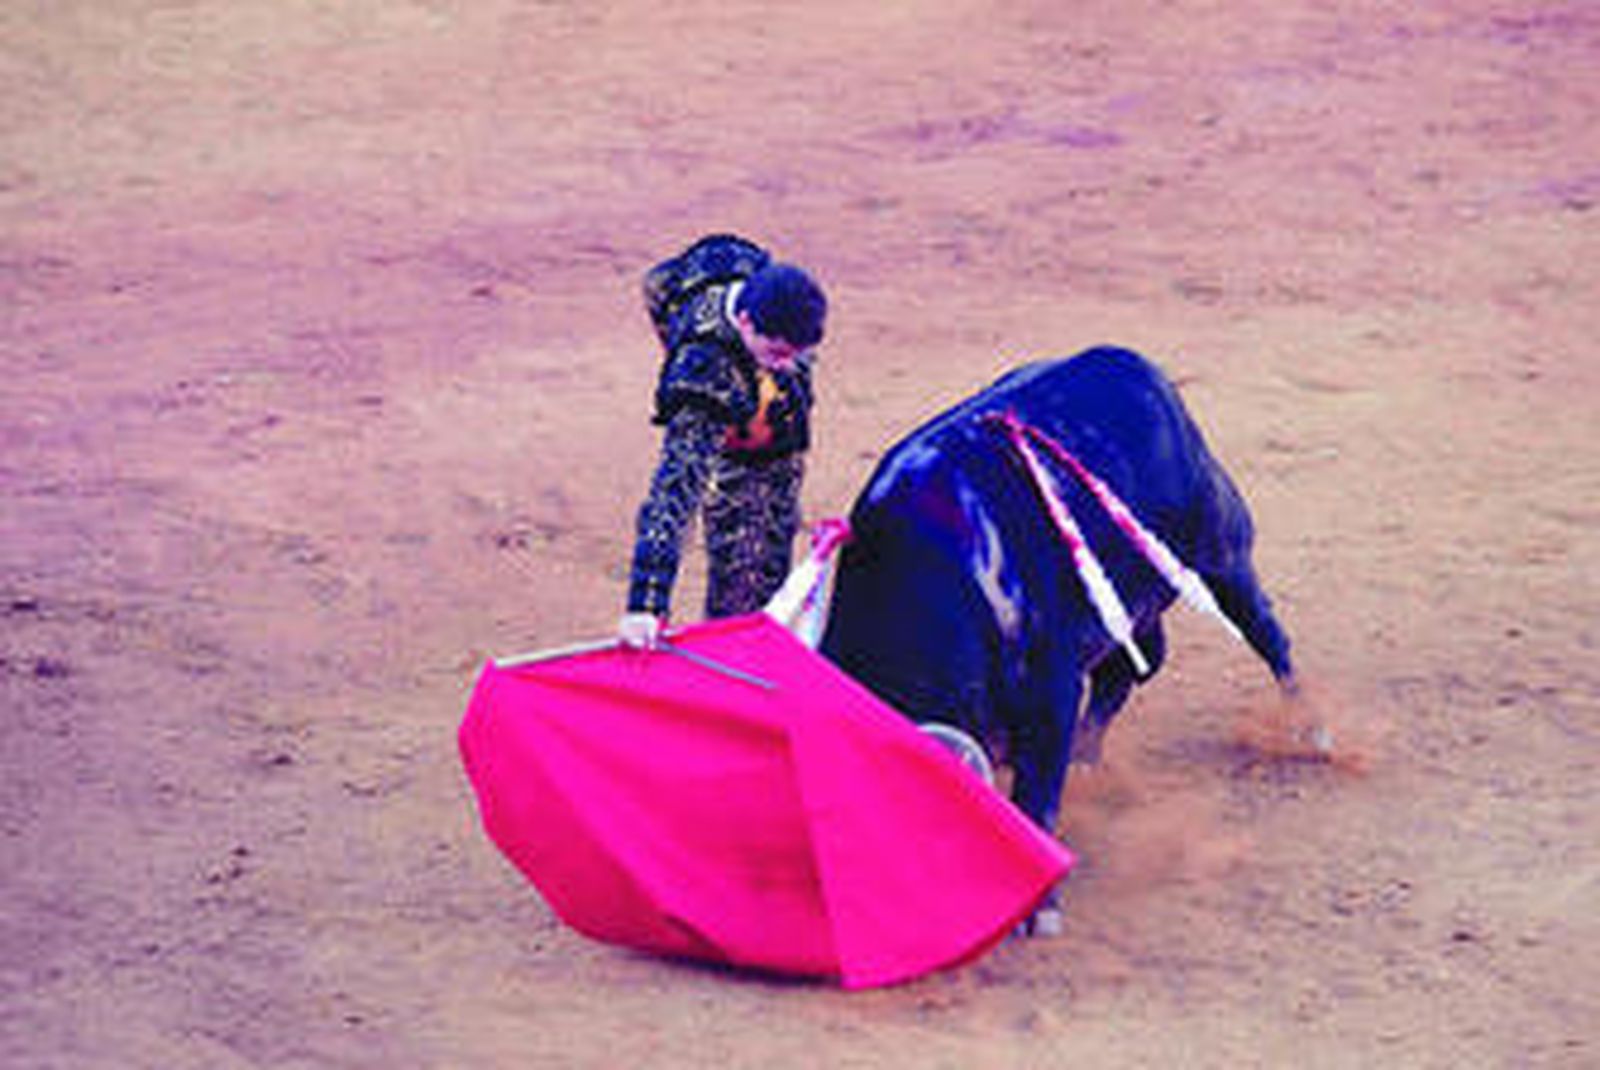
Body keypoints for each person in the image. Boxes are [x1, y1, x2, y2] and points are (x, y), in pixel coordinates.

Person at [618, 234, 828, 648]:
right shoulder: (705, 374)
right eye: (776, 352)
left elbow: (658, 283)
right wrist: (647, 602)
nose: (788, 367)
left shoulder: (738, 263)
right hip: (748, 469)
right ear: (746, 322)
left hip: (772, 448)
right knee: (747, 616)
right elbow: (674, 489)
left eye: (797, 355)